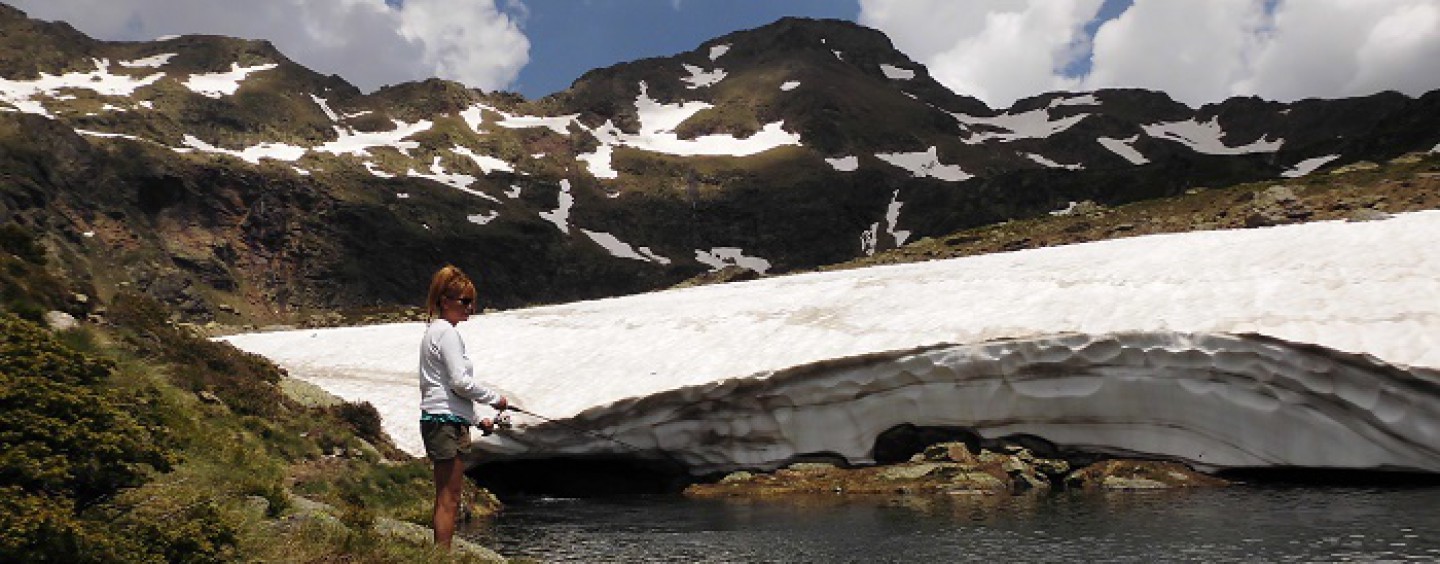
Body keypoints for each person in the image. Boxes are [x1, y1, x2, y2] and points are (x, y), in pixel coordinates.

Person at [418, 264, 509, 548]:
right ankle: (442, 556)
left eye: (473, 302)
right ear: (445, 301)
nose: (470, 308)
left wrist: (477, 418)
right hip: (444, 421)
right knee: (449, 498)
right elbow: (459, 382)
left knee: (449, 495)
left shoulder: (438, 331)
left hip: (447, 419)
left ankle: (441, 554)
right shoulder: (446, 332)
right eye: (465, 301)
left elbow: (450, 387)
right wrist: (495, 399)